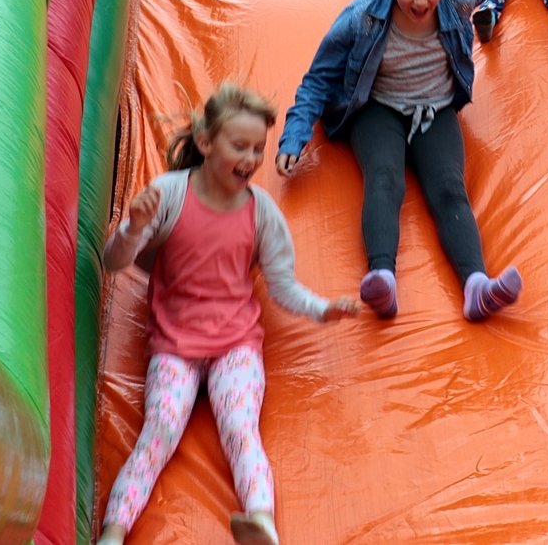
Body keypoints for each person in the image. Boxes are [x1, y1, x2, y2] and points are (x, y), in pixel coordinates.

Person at [97, 83, 359, 545]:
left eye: (258, 148)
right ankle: (113, 533)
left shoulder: (261, 213)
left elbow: (281, 285)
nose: (251, 158)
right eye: (240, 146)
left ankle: (261, 522)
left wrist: (322, 309)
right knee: (158, 430)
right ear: (205, 143)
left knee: (240, 427)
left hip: (235, 346)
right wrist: (134, 227)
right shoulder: (170, 195)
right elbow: (115, 261)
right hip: (176, 346)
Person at [275, 0, 524, 322]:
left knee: (449, 188)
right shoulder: (363, 16)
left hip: (435, 107)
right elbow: (319, 78)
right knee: (385, 177)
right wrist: (294, 136)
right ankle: (382, 277)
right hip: (378, 107)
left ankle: (476, 285)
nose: (420, 0)